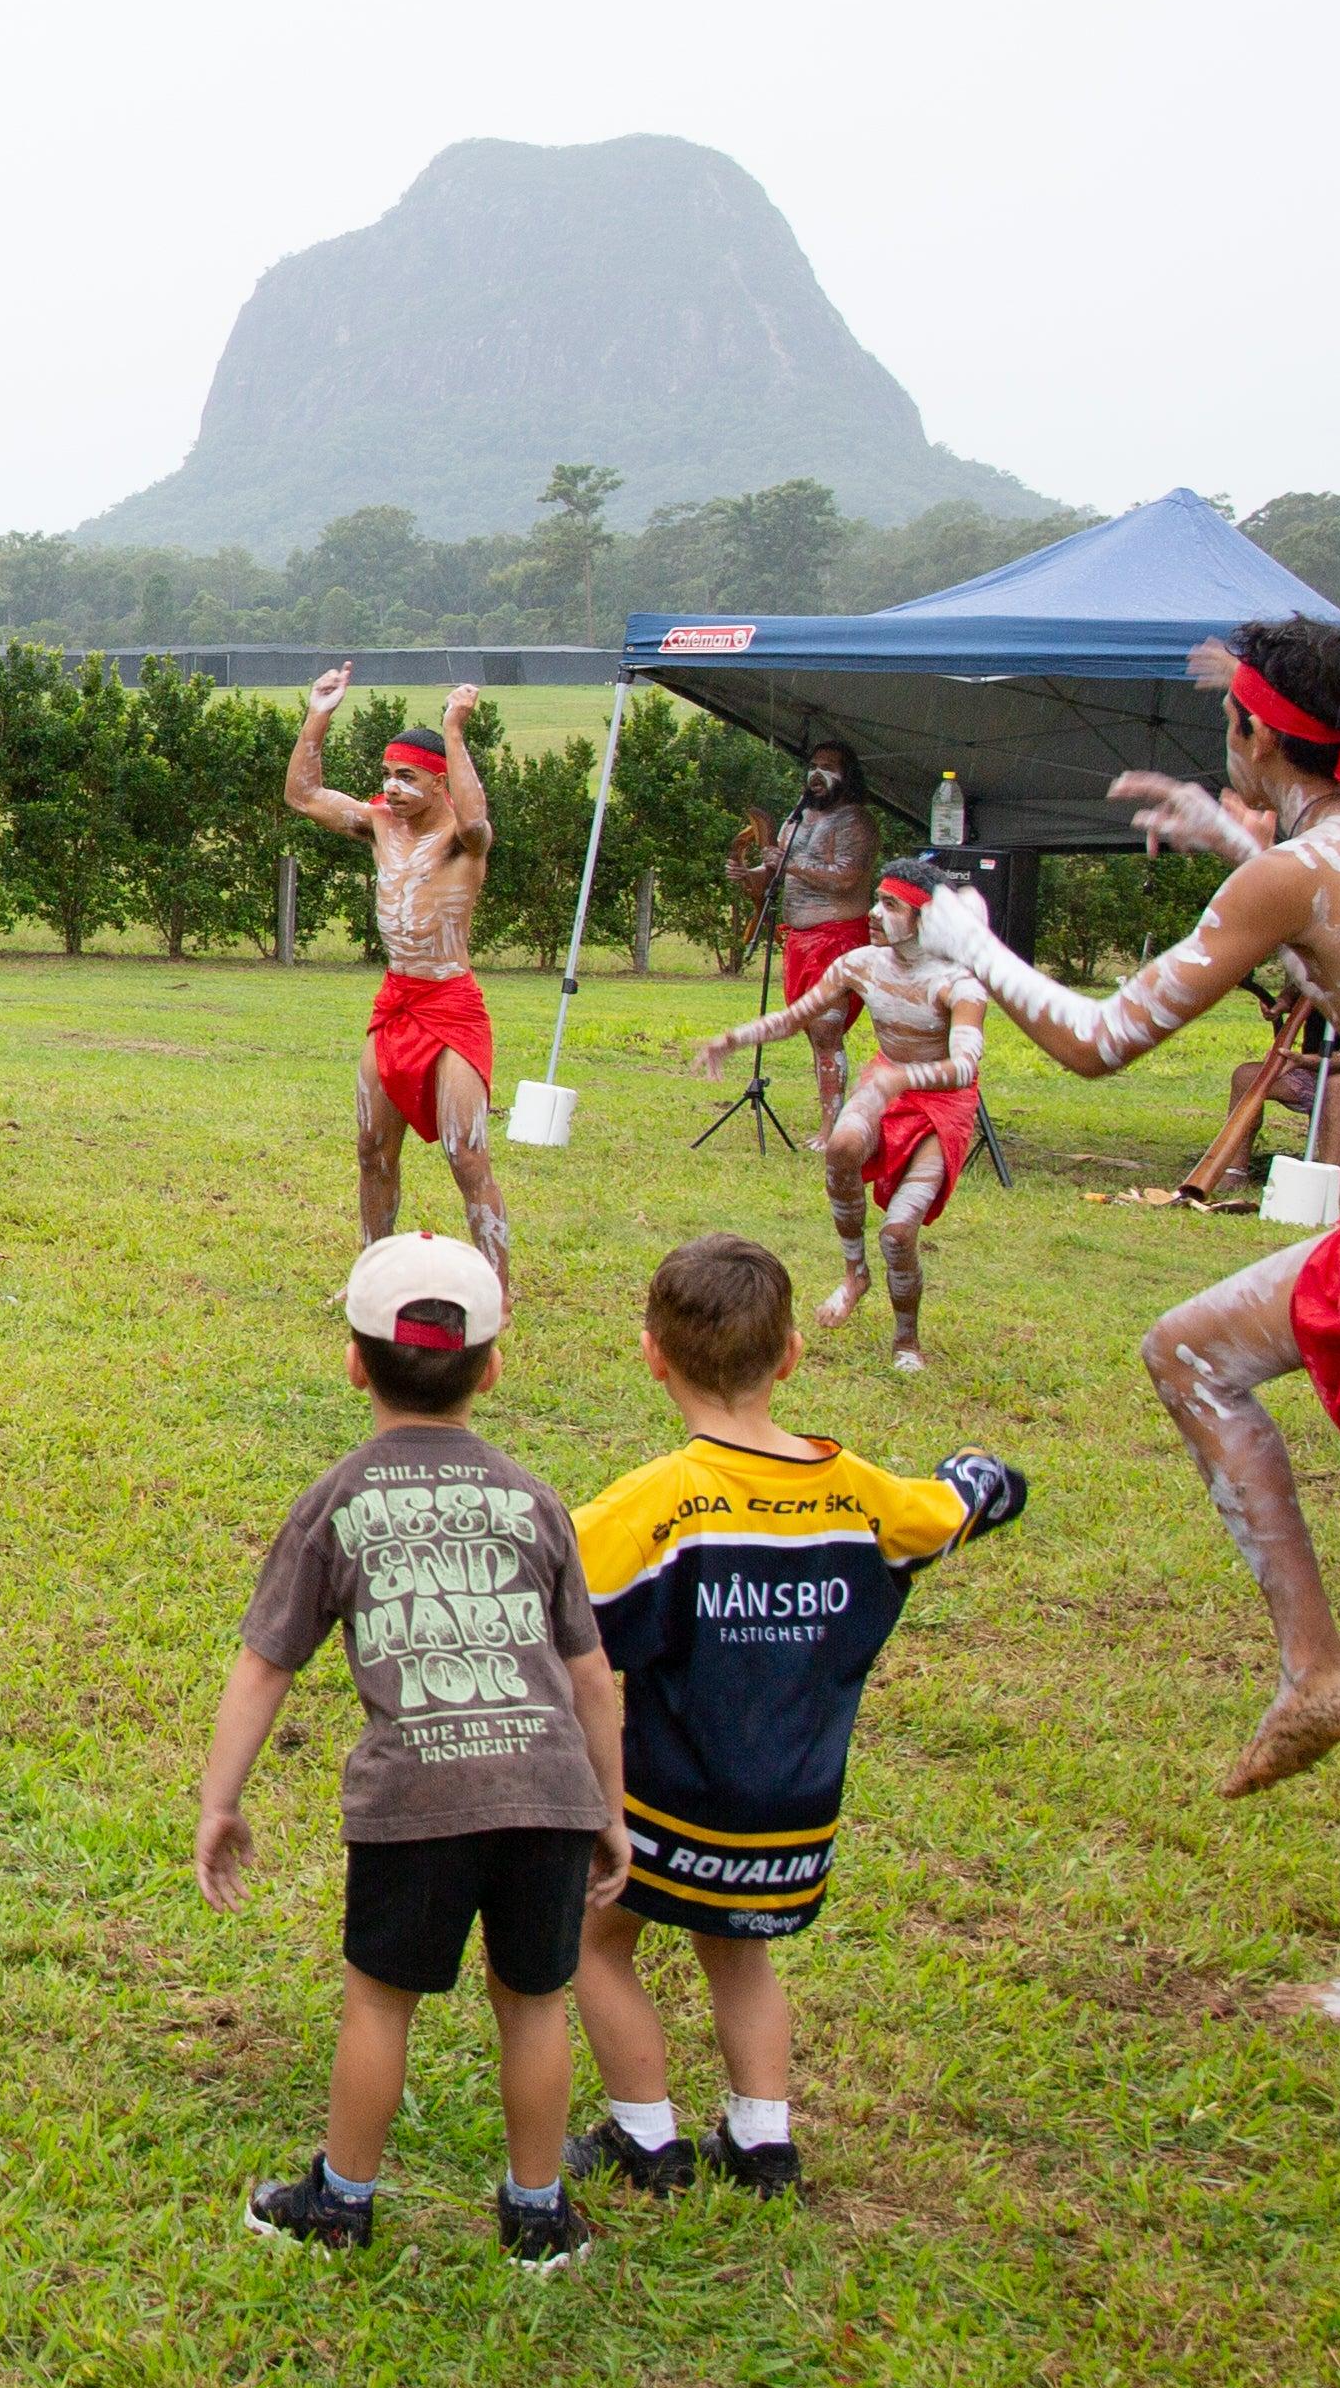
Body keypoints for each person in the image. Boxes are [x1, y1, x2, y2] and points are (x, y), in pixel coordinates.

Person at [920, 616, 1340, 2024]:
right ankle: (1310, 1675)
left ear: (1262, 738)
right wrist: (1226, 836)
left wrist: (970, 942)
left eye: (1228, 727)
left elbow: (1100, 1044)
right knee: (1190, 1349)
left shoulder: (1300, 867)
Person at [563, 1234, 1024, 2203]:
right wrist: (985, 1478)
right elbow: (948, 1511)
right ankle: (762, 2142)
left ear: (652, 1354)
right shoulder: (855, 1491)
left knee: (593, 1945)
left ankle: (646, 2140)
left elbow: (554, 1596)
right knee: (741, 1954)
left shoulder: (652, 1506)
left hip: (660, 1803)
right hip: (792, 1812)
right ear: (789, 1356)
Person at [193, 1234, 619, 2269]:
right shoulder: (534, 1499)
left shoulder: (336, 1499)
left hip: (415, 1799)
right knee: (534, 2006)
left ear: (353, 1361)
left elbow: (264, 1666)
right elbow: (593, 1675)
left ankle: (341, 2204)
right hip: (547, 1792)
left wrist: (220, 1801)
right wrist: (609, 1807)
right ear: (493, 1367)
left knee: (380, 2003)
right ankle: (537, 2217)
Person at [684, 872, 982, 1371]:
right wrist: (735, 1038)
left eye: (890, 905)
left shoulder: (957, 983)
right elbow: (796, 1015)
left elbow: (966, 1066)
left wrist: (904, 1078)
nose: (873, 913)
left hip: (939, 1102)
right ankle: (854, 1273)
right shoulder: (859, 964)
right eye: (877, 901)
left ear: (924, 919)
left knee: (898, 1234)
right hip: (886, 1081)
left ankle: (906, 1340)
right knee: (842, 1146)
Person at [286, 672, 509, 1276]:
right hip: (396, 1002)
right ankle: (371, 1276)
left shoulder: (464, 840)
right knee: (372, 1150)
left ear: (440, 783)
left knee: (467, 1156)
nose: (392, 787)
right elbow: (303, 795)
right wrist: (318, 714)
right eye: (387, 775)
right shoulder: (380, 824)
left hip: (451, 1003)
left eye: (407, 777)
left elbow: (477, 819)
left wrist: (454, 731)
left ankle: (498, 1295)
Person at [727, 739, 885, 1110]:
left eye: (829, 766)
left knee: (826, 1030)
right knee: (814, 1032)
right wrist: (746, 874)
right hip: (799, 940)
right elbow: (772, 877)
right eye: (813, 765)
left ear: (847, 776)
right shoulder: (796, 820)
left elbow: (848, 876)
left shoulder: (856, 821)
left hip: (838, 937)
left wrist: (788, 863)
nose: (817, 773)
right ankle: (830, 1115)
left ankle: (833, 1127)